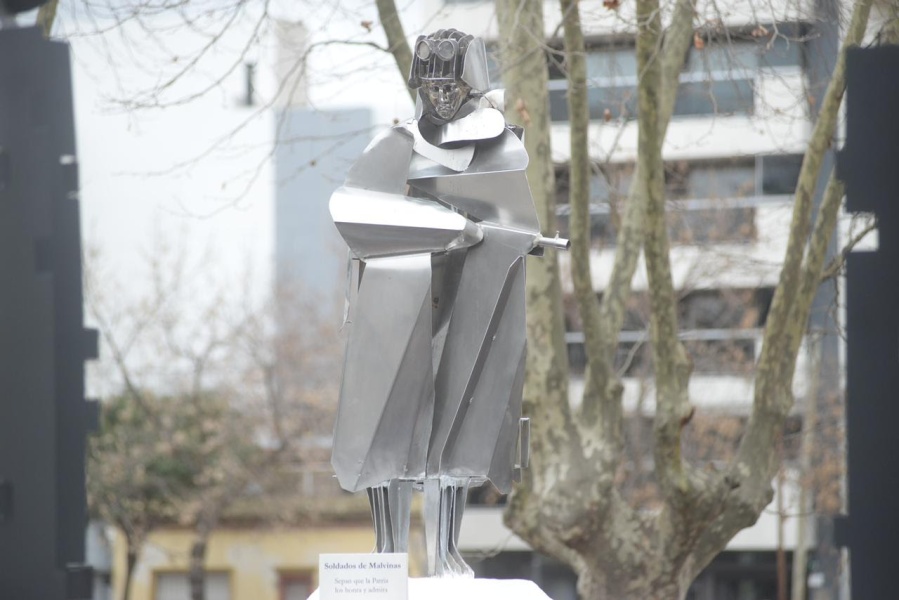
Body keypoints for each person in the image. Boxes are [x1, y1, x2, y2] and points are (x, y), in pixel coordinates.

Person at [329, 28, 564, 576]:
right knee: (385, 427)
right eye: (430, 85)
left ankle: (443, 552)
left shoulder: (503, 146)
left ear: (472, 82)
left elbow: (515, 222)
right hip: (396, 304)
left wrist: (489, 237)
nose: (440, 97)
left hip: (470, 303)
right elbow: (354, 211)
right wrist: (445, 227)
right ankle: (386, 551)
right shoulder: (397, 143)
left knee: (459, 427)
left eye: (449, 84)